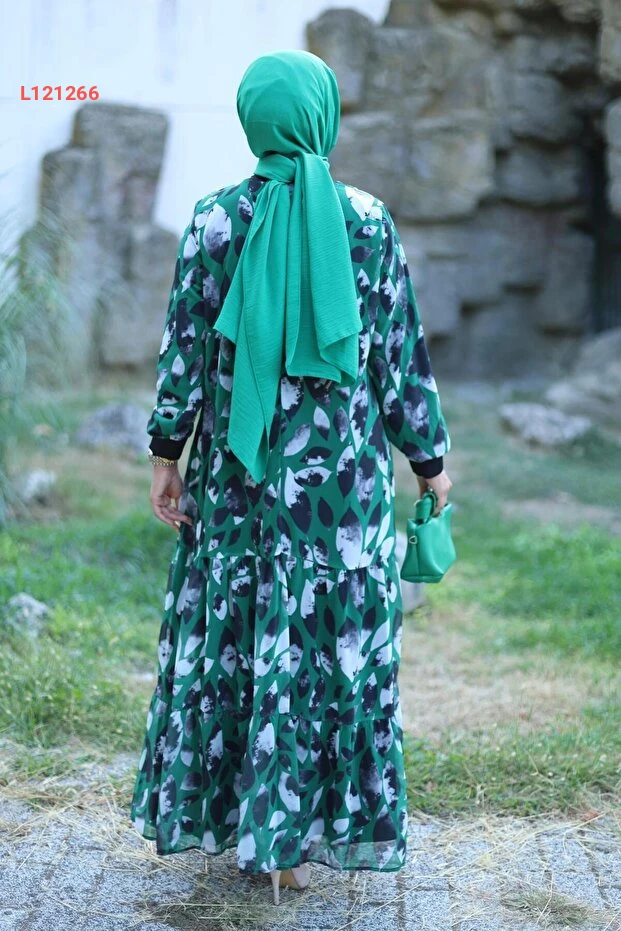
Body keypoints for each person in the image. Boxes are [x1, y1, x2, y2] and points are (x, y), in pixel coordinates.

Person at [129, 49, 453, 906]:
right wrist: (427, 459)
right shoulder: (366, 221)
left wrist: (167, 455)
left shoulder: (213, 221)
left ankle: (253, 825)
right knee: (325, 652)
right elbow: (397, 358)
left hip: (238, 486)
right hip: (339, 498)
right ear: (322, 116)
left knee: (241, 643)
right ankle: (297, 836)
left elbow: (183, 354)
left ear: (254, 119)